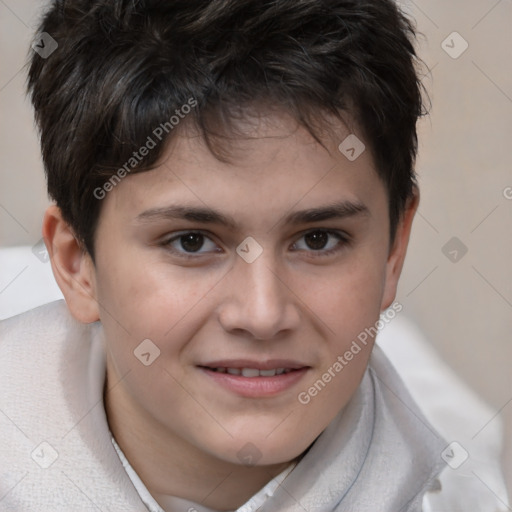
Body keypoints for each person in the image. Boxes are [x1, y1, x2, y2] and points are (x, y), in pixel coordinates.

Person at [0, 1, 505, 510]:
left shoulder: (467, 489)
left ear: (394, 250)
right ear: (75, 265)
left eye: (318, 239)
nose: (263, 315)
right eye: (191, 242)